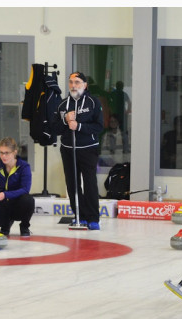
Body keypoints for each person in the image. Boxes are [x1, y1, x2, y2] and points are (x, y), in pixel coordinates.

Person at [52, 71, 104, 230]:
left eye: (77, 82)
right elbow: (56, 129)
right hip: (68, 150)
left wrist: (78, 126)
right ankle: (79, 216)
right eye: (71, 82)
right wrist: (66, 121)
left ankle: (93, 218)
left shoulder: (93, 102)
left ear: (85, 85)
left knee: (90, 183)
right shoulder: (62, 105)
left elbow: (99, 127)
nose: (74, 85)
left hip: (88, 149)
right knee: (72, 184)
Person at [0, 137, 35, 237]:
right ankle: (6, 224)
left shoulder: (24, 166)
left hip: (18, 201)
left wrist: (6, 194)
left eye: (7, 153)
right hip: (3, 201)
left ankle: (24, 226)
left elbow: (25, 189)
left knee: (29, 200)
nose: (3, 156)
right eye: (1, 152)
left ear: (14, 152)